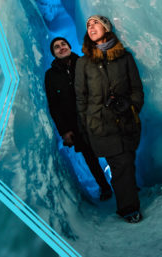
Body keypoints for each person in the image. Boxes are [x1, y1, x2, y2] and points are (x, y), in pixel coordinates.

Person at [74, 15, 144, 223]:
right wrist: (86, 125)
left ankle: (127, 191)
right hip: (101, 125)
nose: (91, 27)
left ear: (106, 27)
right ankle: (128, 208)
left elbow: (137, 90)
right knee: (120, 164)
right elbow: (81, 97)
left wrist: (130, 106)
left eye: (95, 23)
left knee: (127, 162)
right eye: (88, 24)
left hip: (126, 121)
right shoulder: (83, 62)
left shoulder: (125, 58)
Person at [45, 37, 113, 201]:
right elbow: (54, 106)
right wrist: (65, 131)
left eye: (63, 44)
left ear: (69, 46)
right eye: (56, 47)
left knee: (111, 150)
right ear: (53, 53)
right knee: (90, 158)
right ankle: (104, 188)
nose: (61, 48)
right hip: (75, 124)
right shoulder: (51, 76)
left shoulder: (85, 62)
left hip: (97, 117)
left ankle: (122, 183)